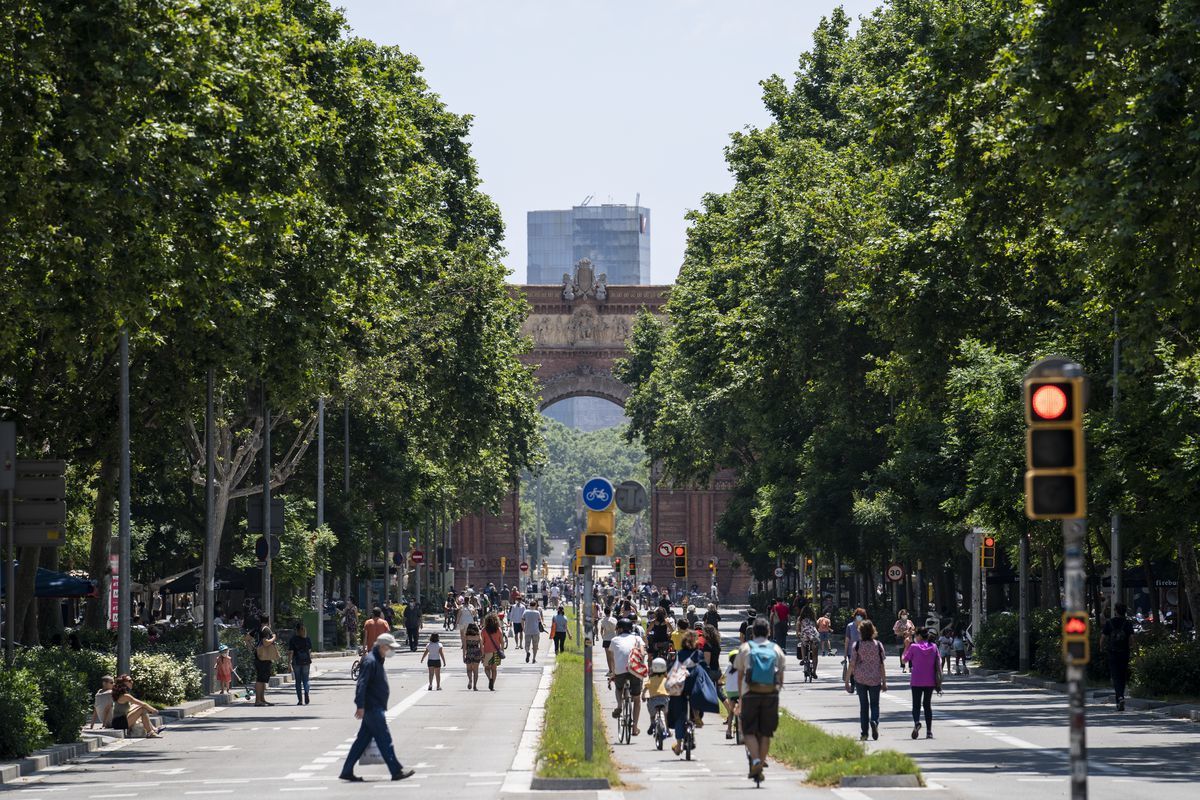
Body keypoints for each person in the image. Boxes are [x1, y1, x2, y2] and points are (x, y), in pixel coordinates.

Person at [338, 633, 413, 782]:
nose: (391, 650)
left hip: (374, 707)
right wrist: (360, 705)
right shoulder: (370, 661)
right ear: (382, 646)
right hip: (372, 708)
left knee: (362, 741)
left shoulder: (376, 660)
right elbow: (362, 684)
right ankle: (396, 770)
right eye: (390, 647)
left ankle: (347, 770)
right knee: (384, 739)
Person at [737, 617, 784, 780]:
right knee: (766, 732)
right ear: (769, 632)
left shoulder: (746, 648)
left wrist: (740, 697)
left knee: (748, 730)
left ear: (753, 632)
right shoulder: (776, 649)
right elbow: (781, 676)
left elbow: (740, 675)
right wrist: (775, 691)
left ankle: (756, 760)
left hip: (750, 693)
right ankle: (761, 765)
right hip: (770, 694)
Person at [845, 619, 887, 741]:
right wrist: (884, 682)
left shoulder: (857, 645)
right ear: (873, 631)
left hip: (860, 679)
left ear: (861, 632)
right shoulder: (878, 645)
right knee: (875, 704)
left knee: (864, 706)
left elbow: (852, 664)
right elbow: (881, 664)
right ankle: (874, 721)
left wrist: (847, 680)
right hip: (875, 679)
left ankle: (864, 733)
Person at [668, 630, 704, 756]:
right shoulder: (698, 654)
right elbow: (703, 668)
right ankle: (697, 716)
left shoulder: (680, 653)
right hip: (694, 685)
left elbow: (673, 667)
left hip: (680, 686)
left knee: (679, 715)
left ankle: (678, 746)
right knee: (700, 697)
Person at [902, 627, 942, 738]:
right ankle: (929, 731)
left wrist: (906, 647)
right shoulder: (934, 647)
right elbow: (939, 662)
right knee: (927, 705)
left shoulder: (914, 647)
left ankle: (917, 723)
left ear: (919, 636)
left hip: (916, 681)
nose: (914, 637)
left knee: (916, 705)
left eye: (915, 635)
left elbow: (904, 660)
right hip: (930, 681)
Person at [609, 618, 647, 736]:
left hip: (620, 670)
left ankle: (619, 705)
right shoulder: (637, 638)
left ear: (619, 629)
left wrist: (613, 673)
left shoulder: (614, 640)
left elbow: (612, 658)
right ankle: (635, 727)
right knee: (636, 699)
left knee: (618, 688)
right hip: (634, 669)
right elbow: (642, 653)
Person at [1101, 602, 1135, 711]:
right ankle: (1120, 699)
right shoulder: (1128, 623)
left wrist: (1101, 648)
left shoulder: (1109, 623)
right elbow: (1132, 639)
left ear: (1115, 610)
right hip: (1124, 652)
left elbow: (1102, 638)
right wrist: (1135, 650)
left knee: (1115, 676)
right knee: (1122, 676)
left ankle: (1120, 697)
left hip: (1112, 652)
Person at [250, 615, 277, 706]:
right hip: (264, 657)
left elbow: (246, 638)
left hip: (258, 655)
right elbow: (266, 643)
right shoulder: (266, 630)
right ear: (268, 621)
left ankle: (262, 699)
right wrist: (273, 637)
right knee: (260, 679)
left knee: (262, 678)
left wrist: (252, 648)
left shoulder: (257, 629)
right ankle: (258, 700)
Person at [643, 657, 670, 737]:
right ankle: (667, 730)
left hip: (653, 700)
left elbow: (646, 688)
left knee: (652, 715)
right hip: (665, 699)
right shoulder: (666, 678)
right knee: (666, 715)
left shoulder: (651, 679)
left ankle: (652, 723)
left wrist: (643, 695)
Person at [290, 622, 313, 705]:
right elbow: (309, 651)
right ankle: (306, 693)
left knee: (298, 681)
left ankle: (300, 700)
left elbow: (291, 652)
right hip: (306, 661)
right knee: (306, 680)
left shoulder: (293, 639)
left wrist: (289, 662)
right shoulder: (307, 639)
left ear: (296, 630)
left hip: (296, 661)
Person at [481, 613, 505, 691]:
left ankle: (490, 678)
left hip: (487, 651)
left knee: (486, 669)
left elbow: (482, 642)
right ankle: (493, 685)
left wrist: (482, 653)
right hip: (496, 652)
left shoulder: (484, 630)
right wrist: (502, 650)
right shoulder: (498, 629)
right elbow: (502, 642)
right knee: (494, 669)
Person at [797, 606, 820, 676]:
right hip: (814, 636)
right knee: (815, 656)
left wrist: (798, 635)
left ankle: (804, 659)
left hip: (805, 635)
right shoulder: (814, 619)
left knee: (802, 644)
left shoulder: (800, 619)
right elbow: (817, 628)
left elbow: (798, 630)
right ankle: (814, 672)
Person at [723, 650, 740, 740]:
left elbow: (722, 678)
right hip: (740, 692)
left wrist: (720, 682)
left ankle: (729, 730)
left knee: (731, 711)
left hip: (730, 692)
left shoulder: (729, 668)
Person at [462, 622, 483, 690]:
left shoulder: (466, 636)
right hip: (477, 653)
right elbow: (481, 647)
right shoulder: (478, 636)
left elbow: (464, 647)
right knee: (476, 671)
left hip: (469, 653)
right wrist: (482, 656)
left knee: (469, 669)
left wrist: (463, 656)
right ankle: (475, 686)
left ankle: (470, 680)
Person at [601, 606, 619, 679]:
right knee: (614, 656)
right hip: (614, 638)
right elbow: (617, 629)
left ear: (604, 612)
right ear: (610, 612)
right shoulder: (614, 620)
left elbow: (601, 630)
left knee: (608, 656)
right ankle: (615, 670)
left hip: (606, 639)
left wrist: (603, 636)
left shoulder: (603, 621)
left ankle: (610, 670)